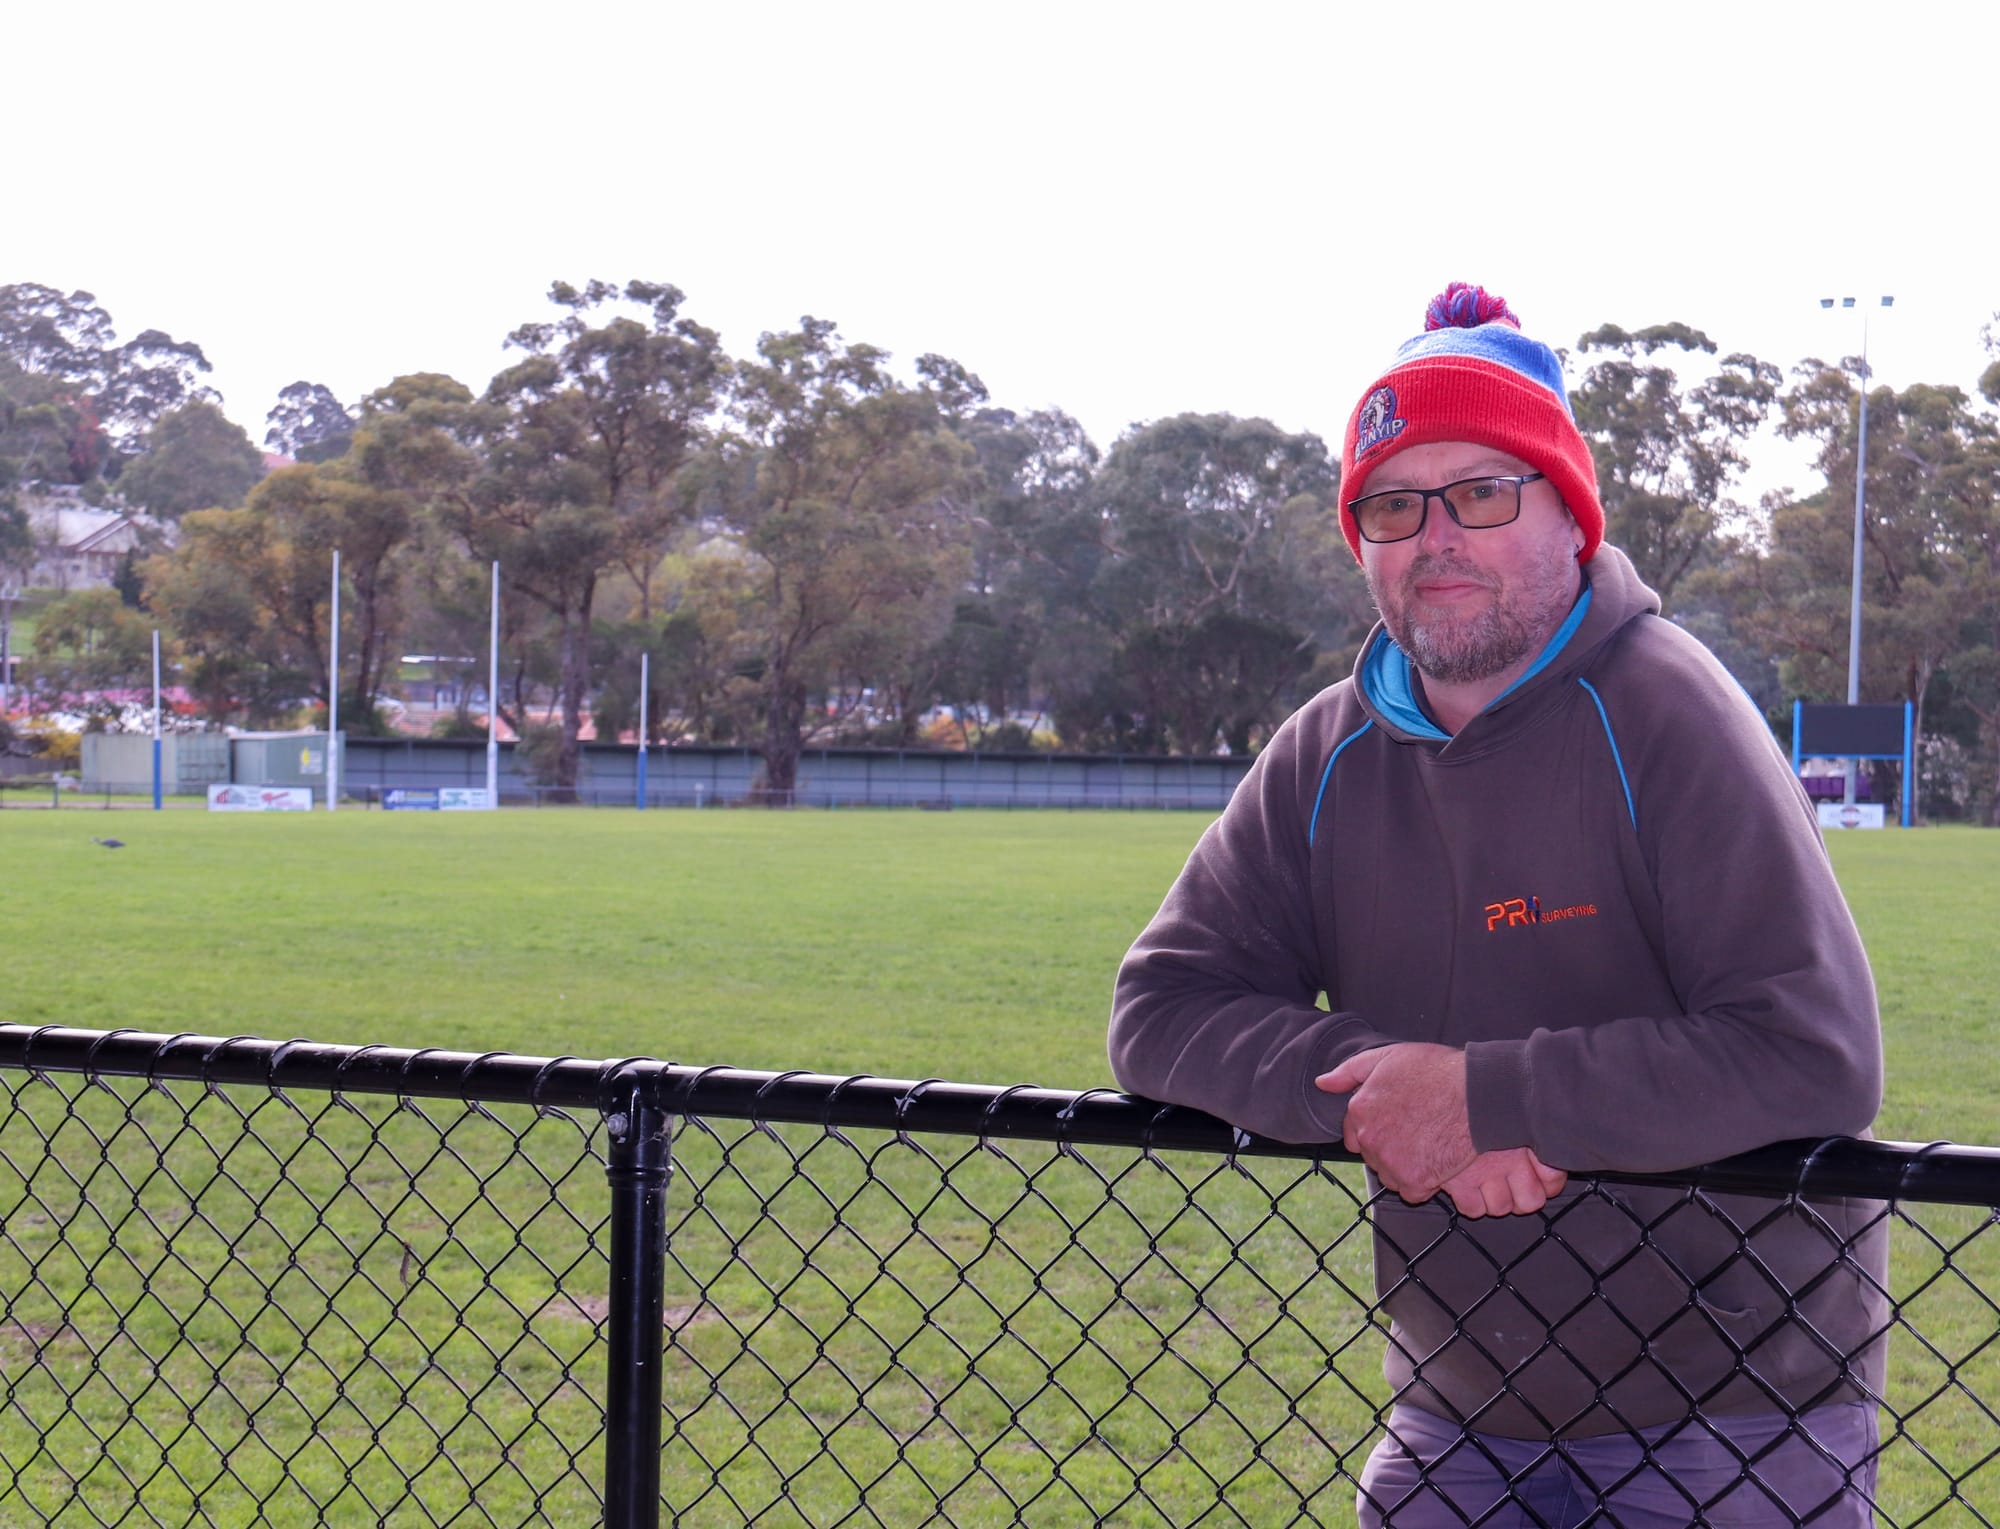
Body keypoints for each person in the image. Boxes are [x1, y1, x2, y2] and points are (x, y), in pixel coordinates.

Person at [1108, 283, 1888, 1527]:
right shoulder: (1324, 752)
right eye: (1392, 504)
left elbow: (1812, 1053)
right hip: (1459, 1401)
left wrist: (1486, 1097)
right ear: (1358, 539)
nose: (1435, 536)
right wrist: (1380, 1088)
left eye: (1480, 492)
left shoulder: (1668, 711)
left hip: (1736, 1413)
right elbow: (1160, 1008)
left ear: (1567, 513)